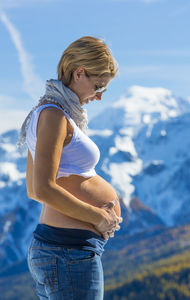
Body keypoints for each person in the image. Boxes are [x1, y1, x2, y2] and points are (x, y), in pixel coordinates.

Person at [18, 36, 122, 300]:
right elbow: (41, 188)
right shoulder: (52, 116)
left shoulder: (50, 113)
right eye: (98, 86)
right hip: (67, 252)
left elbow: (32, 189)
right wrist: (98, 217)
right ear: (79, 73)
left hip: (65, 251)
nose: (98, 96)